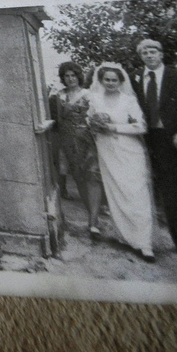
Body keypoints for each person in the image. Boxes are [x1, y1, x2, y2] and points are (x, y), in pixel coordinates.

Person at [134, 38, 177, 256]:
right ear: (141, 56)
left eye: (153, 51)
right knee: (169, 192)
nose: (149, 55)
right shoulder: (135, 78)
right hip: (155, 141)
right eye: (145, 53)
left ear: (161, 54)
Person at [87, 63, 155, 260]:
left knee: (136, 193)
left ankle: (145, 243)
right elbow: (88, 120)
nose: (110, 83)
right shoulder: (95, 99)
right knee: (116, 193)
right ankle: (125, 236)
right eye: (106, 80)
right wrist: (94, 125)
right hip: (107, 152)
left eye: (114, 80)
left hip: (129, 151)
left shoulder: (129, 101)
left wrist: (114, 127)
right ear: (101, 81)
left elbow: (141, 127)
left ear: (121, 81)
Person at [50, 61, 104, 238]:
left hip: (87, 141)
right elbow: (56, 120)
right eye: (66, 76)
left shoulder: (88, 94)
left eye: (73, 75)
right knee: (79, 178)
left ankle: (93, 222)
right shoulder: (59, 95)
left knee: (93, 176)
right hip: (67, 142)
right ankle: (92, 215)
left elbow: (97, 117)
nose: (70, 79)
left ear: (79, 76)